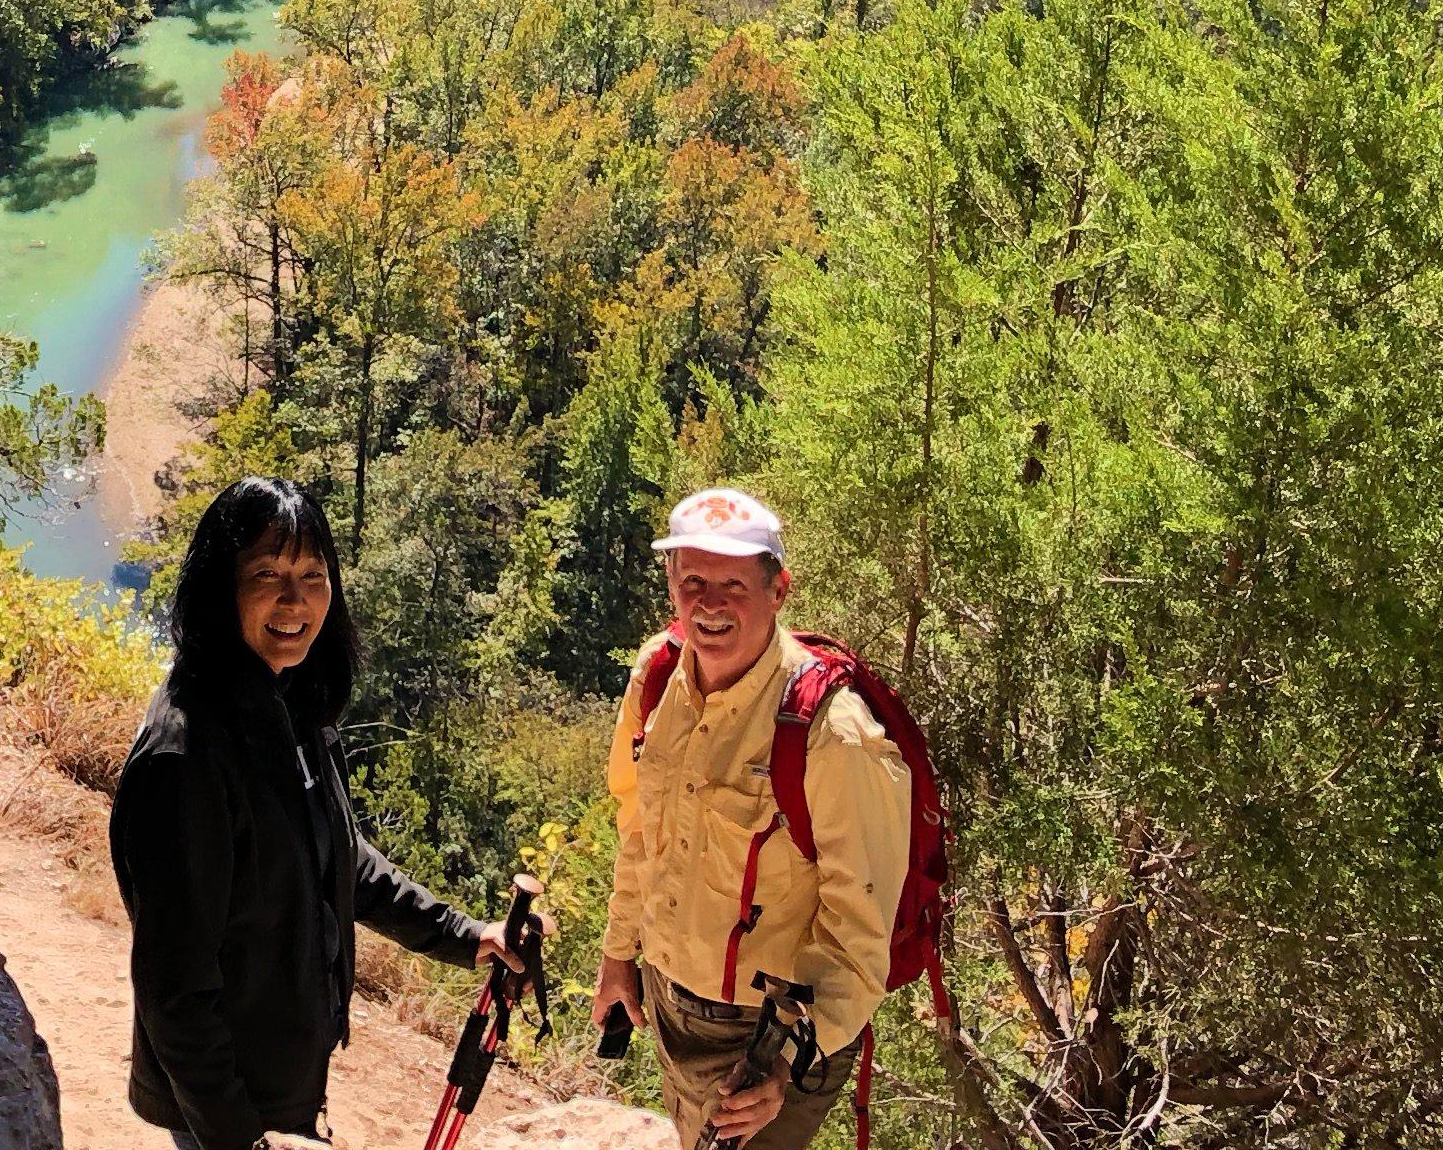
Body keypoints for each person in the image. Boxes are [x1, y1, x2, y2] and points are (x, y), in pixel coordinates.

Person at [110, 475, 505, 1149]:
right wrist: (243, 1139)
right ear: (220, 585)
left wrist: (465, 937)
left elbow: (337, 855)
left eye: (313, 574)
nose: (295, 600)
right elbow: (174, 989)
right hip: (225, 1105)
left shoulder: (288, 702)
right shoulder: (188, 754)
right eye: (267, 572)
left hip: (280, 1082)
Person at [588, 489, 911, 1150]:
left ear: (778, 589)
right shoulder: (657, 676)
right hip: (672, 1008)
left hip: (770, 1043)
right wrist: (620, 951)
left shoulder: (832, 732)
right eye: (692, 581)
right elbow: (640, 828)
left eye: (733, 583)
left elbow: (860, 929)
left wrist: (786, 1067)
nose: (709, 604)